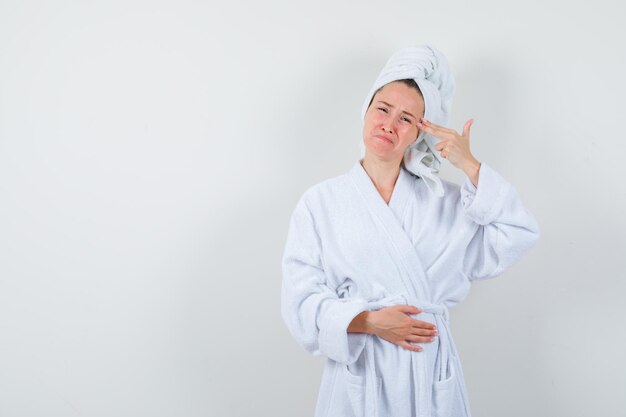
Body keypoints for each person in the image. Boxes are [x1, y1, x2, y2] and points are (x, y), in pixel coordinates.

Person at [280, 44, 540, 417]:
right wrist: (368, 321)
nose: (389, 124)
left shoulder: (448, 203)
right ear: (366, 110)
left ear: (420, 133)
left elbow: (517, 233)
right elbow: (299, 303)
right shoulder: (320, 203)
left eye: (406, 118)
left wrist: (471, 167)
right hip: (361, 372)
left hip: (429, 371)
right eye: (383, 109)